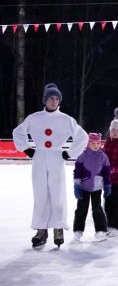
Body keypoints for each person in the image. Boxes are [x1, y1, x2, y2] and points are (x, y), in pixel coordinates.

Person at [12, 83, 89, 248]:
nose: (54, 101)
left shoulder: (66, 119)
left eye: (56, 98)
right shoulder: (34, 117)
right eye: (50, 98)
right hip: (39, 157)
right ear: (45, 100)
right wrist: (27, 148)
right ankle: (41, 229)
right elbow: (18, 131)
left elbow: (82, 136)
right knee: (40, 193)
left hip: (56, 157)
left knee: (58, 193)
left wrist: (69, 153)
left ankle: (58, 227)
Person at [72, 133, 111, 242]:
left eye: (98, 143)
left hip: (97, 187)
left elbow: (106, 172)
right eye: (93, 143)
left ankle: (101, 230)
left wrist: (107, 185)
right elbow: (77, 172)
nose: (95, 145)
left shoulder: (103, 156)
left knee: (97, 208)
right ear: (88, 144)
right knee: (81, 209)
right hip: (84, 187)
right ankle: (78, 230)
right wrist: (77, 186)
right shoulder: (82, 155)